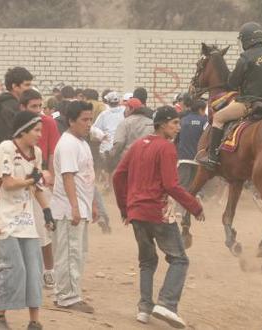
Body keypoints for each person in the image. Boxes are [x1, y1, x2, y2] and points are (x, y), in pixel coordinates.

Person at [113, 106, 204, 328]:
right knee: (179, 259)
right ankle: (167, 303)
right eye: (174, 123)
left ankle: (144, 309)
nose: (178, 128)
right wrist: (194, 206)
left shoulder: (137, 146)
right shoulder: (166, 148)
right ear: (162, 124)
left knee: (147, 261)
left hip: (136, 212)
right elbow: (171, 185)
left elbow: (118, 176)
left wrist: (125, 208)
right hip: (157, 212)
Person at [199, 22, 262, 170]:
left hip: (249, 104)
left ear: (246, 40)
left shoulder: (245, 57)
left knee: (218, 118)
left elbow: (232, 83)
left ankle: (212, 158)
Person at [0, 112, 54, 330]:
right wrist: (32, 180)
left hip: (27, 219)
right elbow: (9, 182)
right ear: (23, 131)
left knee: (33, 268)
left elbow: (37, 188)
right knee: (13, 268)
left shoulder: (37, 153)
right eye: (37, 130)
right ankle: (0, 316)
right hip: (4, 218)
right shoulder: (6, 148)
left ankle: (34, 321)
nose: (40, 135)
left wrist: (47, 211)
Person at [48, 101, 96, 313]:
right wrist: (74, 207)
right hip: (68, 209)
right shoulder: (68, 143)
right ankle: (67, 297)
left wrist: (91, 204)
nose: (89, 124)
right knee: (69, 253)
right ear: (71, 121)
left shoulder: (82, 143)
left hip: (80, 207)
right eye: (84, 120)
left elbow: (86, 177)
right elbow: (67, 176)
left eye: (90, 119)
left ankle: (68, 294)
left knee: (77, 253)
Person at [20, 89, 60, 289]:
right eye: (33, 106)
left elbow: (53, 152)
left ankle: (49, 271)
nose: (38, 111)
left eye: (40, 106)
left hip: (41, 181)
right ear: (23, 107)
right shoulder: (18, 125)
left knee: (44, 228)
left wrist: (50, 176)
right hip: (19, 184)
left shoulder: (49, 123)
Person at [0, 67, 33, 147]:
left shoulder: (2, 103)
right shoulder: (14, 109)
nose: (30, 88)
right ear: (15, 86)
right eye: (27, 85)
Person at [110, 97, 154, 163]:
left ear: (131, 109)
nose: (124, 111)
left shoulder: (125, 123)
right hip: (147, 161)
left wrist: (111, 155)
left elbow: (119, 143)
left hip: (128, 161)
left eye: (126, 108)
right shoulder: (151, 123)